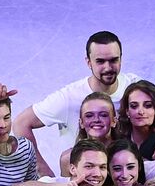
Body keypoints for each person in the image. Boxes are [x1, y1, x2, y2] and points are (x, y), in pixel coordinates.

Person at [13, 31, 143, 177]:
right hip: (85, 179)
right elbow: (21, 123)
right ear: (88, 62)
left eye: (113, 60)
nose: (108, 67)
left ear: (121, 59)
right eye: (100, 61)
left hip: (125, 176)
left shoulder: (135, 88)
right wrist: (43, 171)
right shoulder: (69, 97)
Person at [56, 92, 116, 176]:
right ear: (81, 123)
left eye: (103, 115)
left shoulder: (127, 154)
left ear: (114, 121)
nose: (96, 120)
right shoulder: (68, 158)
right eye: (89, 116)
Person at [116, 80, 155, 161]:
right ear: (127, 111)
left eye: (148, 105)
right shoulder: (117, 143)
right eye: (134, 106)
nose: (141, 111)